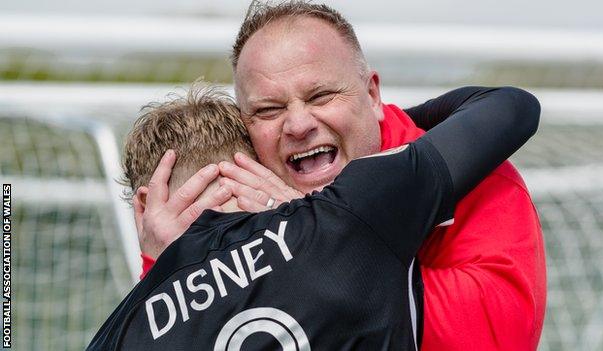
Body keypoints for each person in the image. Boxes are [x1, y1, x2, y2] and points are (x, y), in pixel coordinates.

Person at [136, 2, 547, 349]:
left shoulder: (477, 175)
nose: (297, 124)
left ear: (372, 96)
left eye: (321, 96)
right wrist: (164, 267)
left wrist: (312, 241)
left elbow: (501, 334)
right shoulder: (238, 202)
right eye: (268, 110)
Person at [88, 79, 539, 350]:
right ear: (260, 170)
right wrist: (370, 121)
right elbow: (511, 107)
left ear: (146, 206)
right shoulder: (335, 235)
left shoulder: (119, 333)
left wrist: (158, 269)